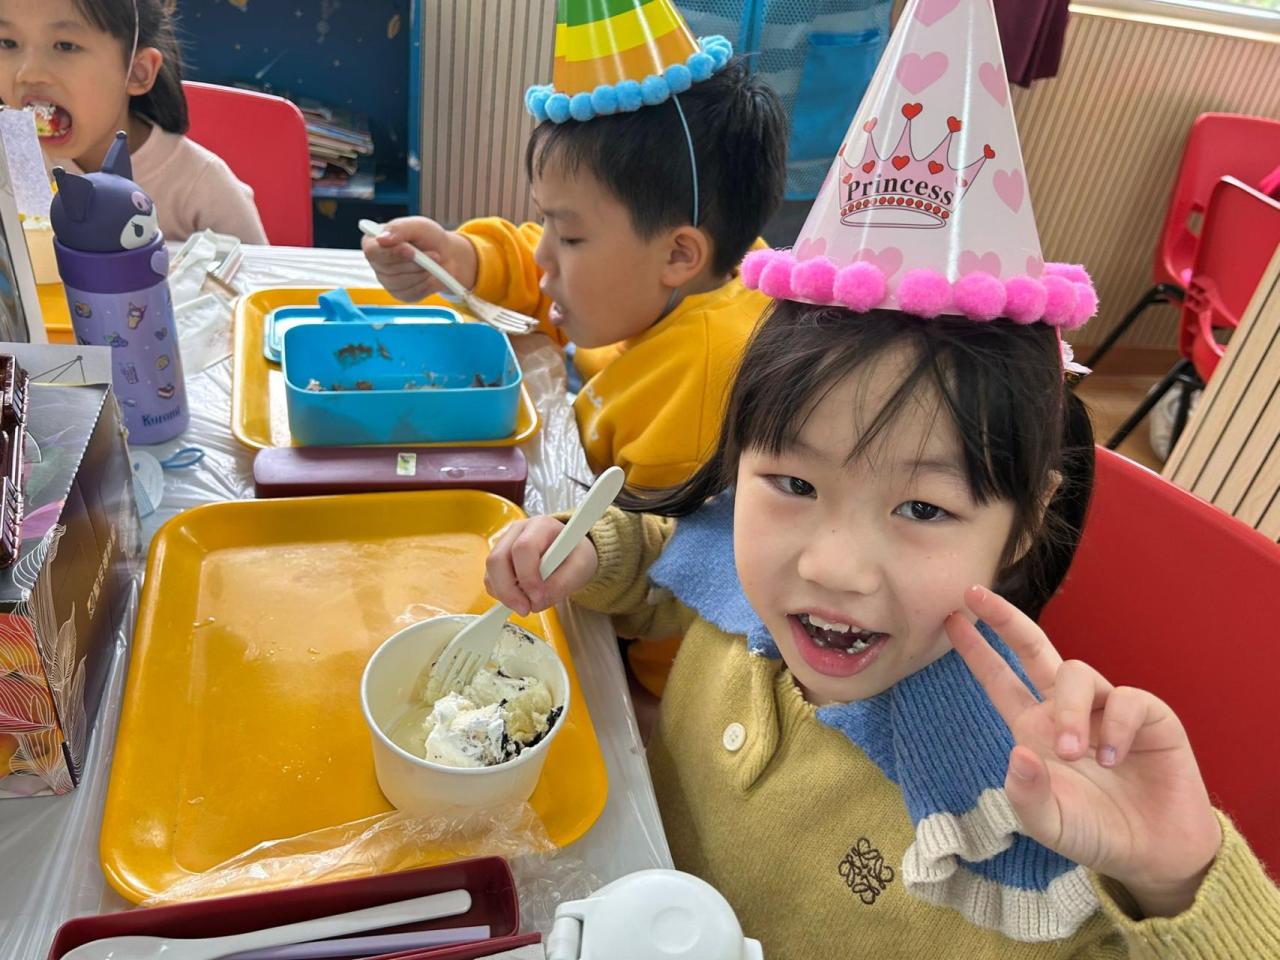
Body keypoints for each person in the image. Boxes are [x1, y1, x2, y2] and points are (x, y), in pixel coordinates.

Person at [480, 1, 1280, 955]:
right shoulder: (748, 559)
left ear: (1026, 523)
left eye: (922, 507)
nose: (833, 565)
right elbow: (674, 571)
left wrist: (1176, 880)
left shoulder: (1020, 805)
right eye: (793, 483)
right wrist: (589, 553)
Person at [0, 0, 268, 243]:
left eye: (65, 46)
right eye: (7, 43)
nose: (28, 74)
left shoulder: (201, 185)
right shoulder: (11, 161)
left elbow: (259, 275)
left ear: (137, 72)